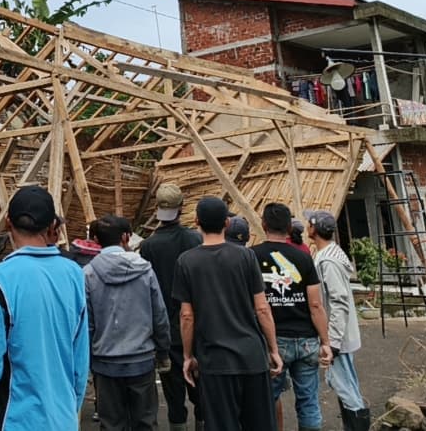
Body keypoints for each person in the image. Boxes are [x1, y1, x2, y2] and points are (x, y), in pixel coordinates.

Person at [0, 185, 89, 430]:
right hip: (63, 418)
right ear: (52, 228)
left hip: (13, 419)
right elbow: (80, 361)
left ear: (7, 223)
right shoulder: (75, 275)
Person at [174, 197, 283, 431]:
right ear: (226, 223)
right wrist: (272, 349)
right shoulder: (246, 257)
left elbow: (186, 316)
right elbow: (262, 308)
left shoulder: (186, 261)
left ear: (196, 222)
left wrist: (187, 356)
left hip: (215, 362)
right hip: (252, 357)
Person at [85, 214, 170, 431]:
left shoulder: (88, 273)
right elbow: (159, 314)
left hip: (105, 362)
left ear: (96, 239)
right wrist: (163, 352)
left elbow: (88, 323)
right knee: (145, 423)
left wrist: (87, 358)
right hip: (141, 359)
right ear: (125, 237)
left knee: (111, 424)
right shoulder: (144, 269)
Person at [253, 203, 332, 431]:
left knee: (267, 400)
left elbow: (257, 306)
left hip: (273, 341)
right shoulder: (304, 257)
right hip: (307, 340)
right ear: (289, 227)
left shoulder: (251, 257)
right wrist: (325, 342)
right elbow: (316, 305)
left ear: (264, 224)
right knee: (308, 402)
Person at [137, 183, 203, 431]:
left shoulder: (149, 246)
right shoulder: (195, 239)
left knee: (174, 396)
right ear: (182, 207)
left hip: (165, 331)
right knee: (202, 393)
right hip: (197, 327)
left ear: (157, 209)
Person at [306, 210, 371, 431]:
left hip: (338, 337)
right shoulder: (330, 254)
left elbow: (338, 301)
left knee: (344, 386)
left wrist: (332, 342)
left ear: (314, 229)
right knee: (346, 384)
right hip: (341, 334)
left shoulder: (329, 261)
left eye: (309, 223)